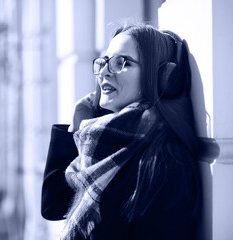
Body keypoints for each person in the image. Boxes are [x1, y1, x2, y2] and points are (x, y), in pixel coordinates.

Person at [41, 24, 203, 240]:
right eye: (105, 61)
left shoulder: (164, 160)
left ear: (162, 76)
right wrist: (74, 127)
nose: (105, 72)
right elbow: (53, 206)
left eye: (121, 62)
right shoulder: (101, 140)